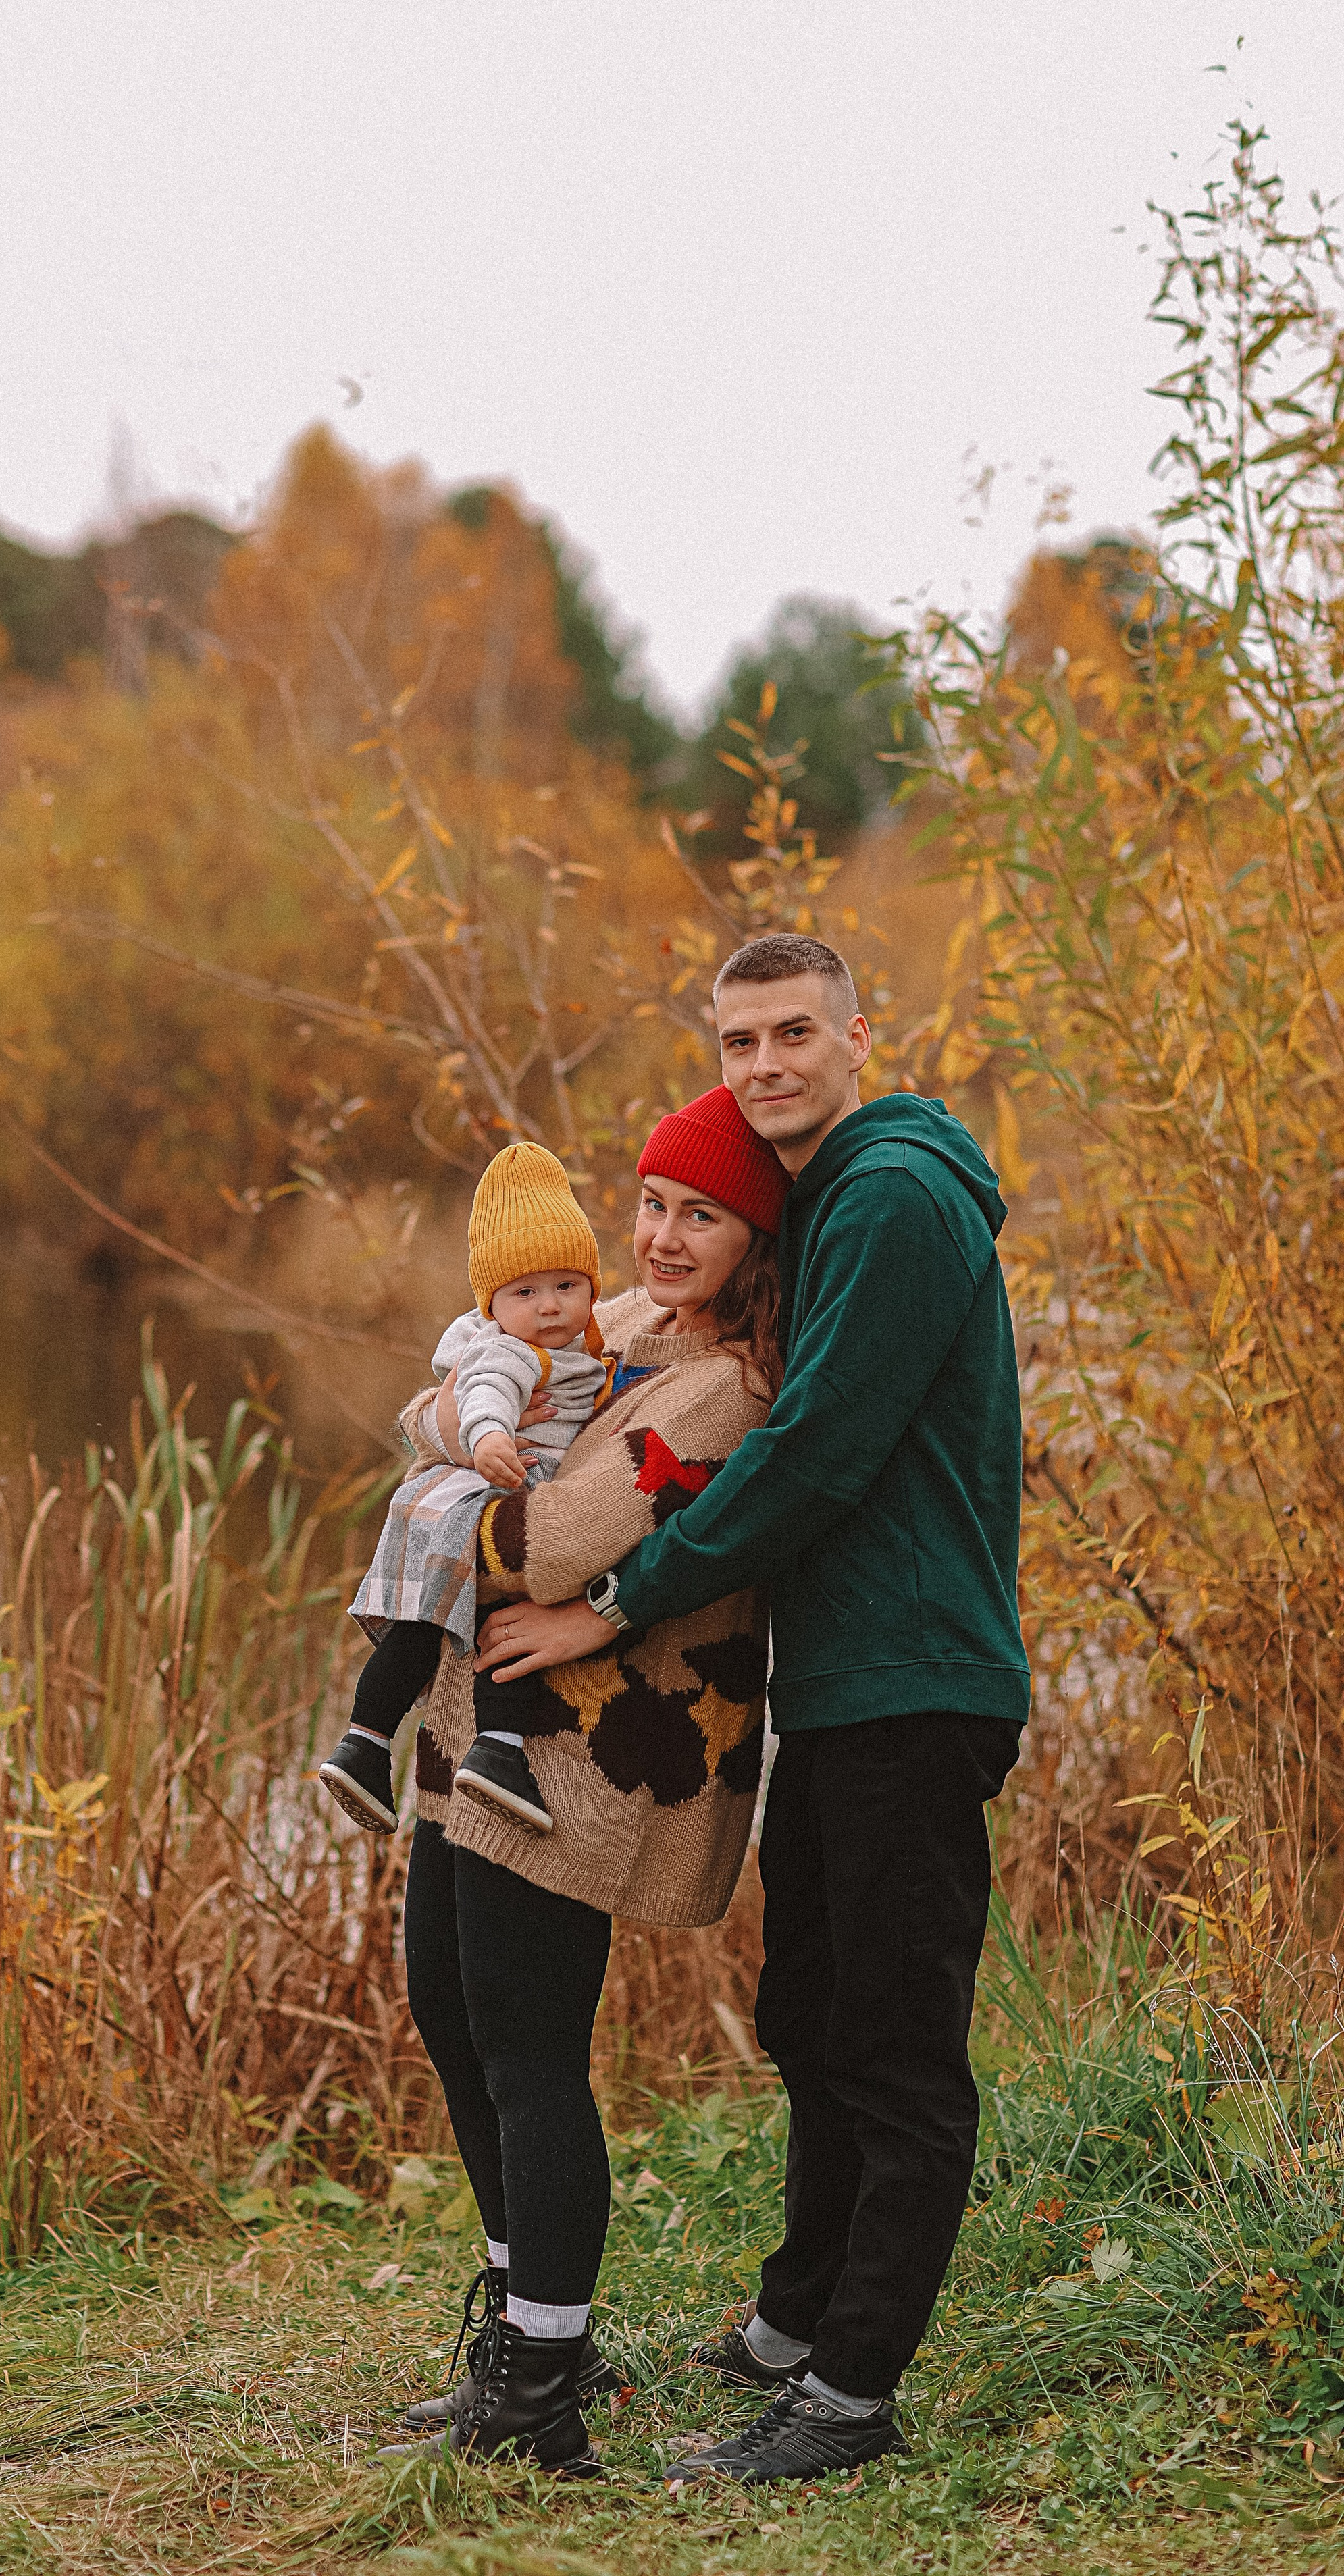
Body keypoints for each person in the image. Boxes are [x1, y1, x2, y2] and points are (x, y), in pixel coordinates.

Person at [474, 931, 1029, 2488]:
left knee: (893, 2044)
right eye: (738, 1039)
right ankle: (797, 2321)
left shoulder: (894, 1193)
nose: (766, 1061)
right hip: (853, 1681)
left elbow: (817, 1453)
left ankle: (846, 2396)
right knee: (810, 2012)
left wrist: (616, 1599)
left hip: (913, 1677)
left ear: (861, 1029)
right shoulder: (833, 1198)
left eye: (794, 1030)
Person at [378, 1086, 791, 2475]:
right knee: (448, 2007)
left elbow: (545, 1540)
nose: (664, 1237)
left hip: (580, 1761)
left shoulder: (722, 1385)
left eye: (704, 1215)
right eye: (653, 1204)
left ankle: (542, 2394)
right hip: (473, 1730)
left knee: (528, 2043)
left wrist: (451, 1475)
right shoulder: (611, 1328)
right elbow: (432, 1400)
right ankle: (519, 2327)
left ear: (755, 1238)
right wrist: (449, 1430)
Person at [319, 1140, 613, 1837]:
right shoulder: (509, 1351)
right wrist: (486, 1439)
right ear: (493, 1301)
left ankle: (363, 1741)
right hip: (481, 1494)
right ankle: (500, 1750)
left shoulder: (577, 1344)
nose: (548, 1307)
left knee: (422, 1633)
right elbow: (486, 1390)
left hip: (446, 1501)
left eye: (566, 1286)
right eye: (525, 1292)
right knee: (514, 1613)